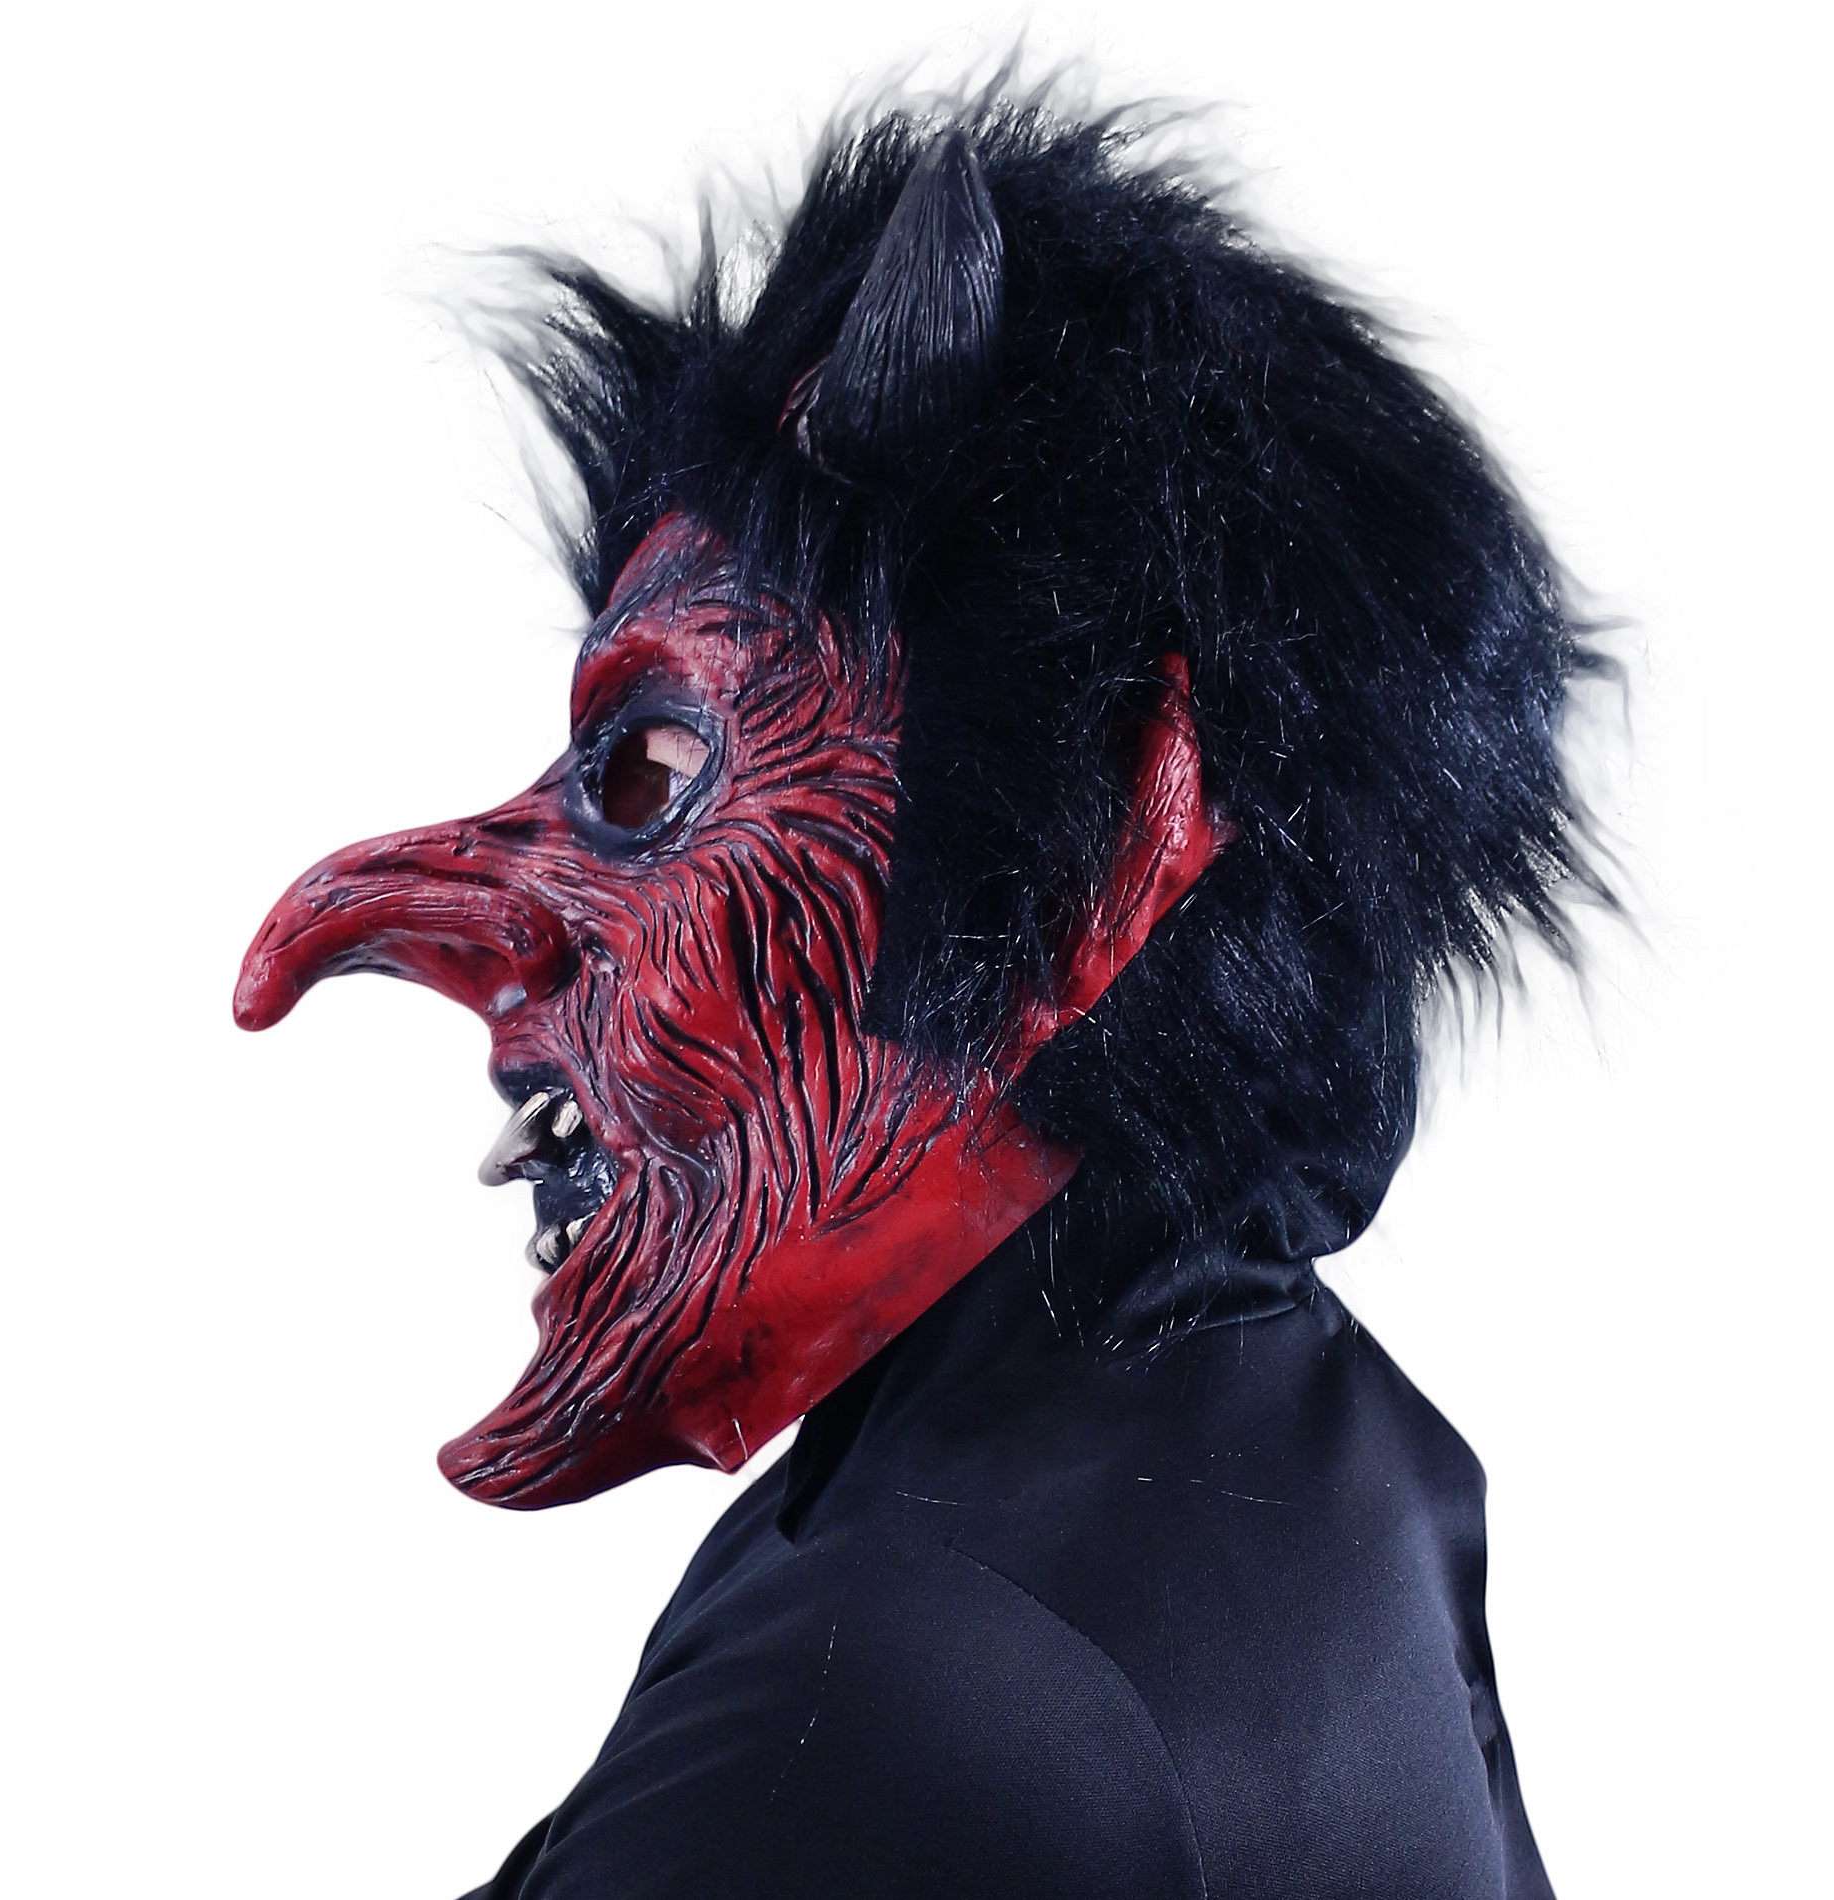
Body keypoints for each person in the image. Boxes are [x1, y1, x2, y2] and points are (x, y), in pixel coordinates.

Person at [238, 91, 1602, 1898]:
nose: (492, 932)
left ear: (1097, 864)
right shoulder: (1361, 1464)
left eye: (657, 774)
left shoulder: (903, 1680)